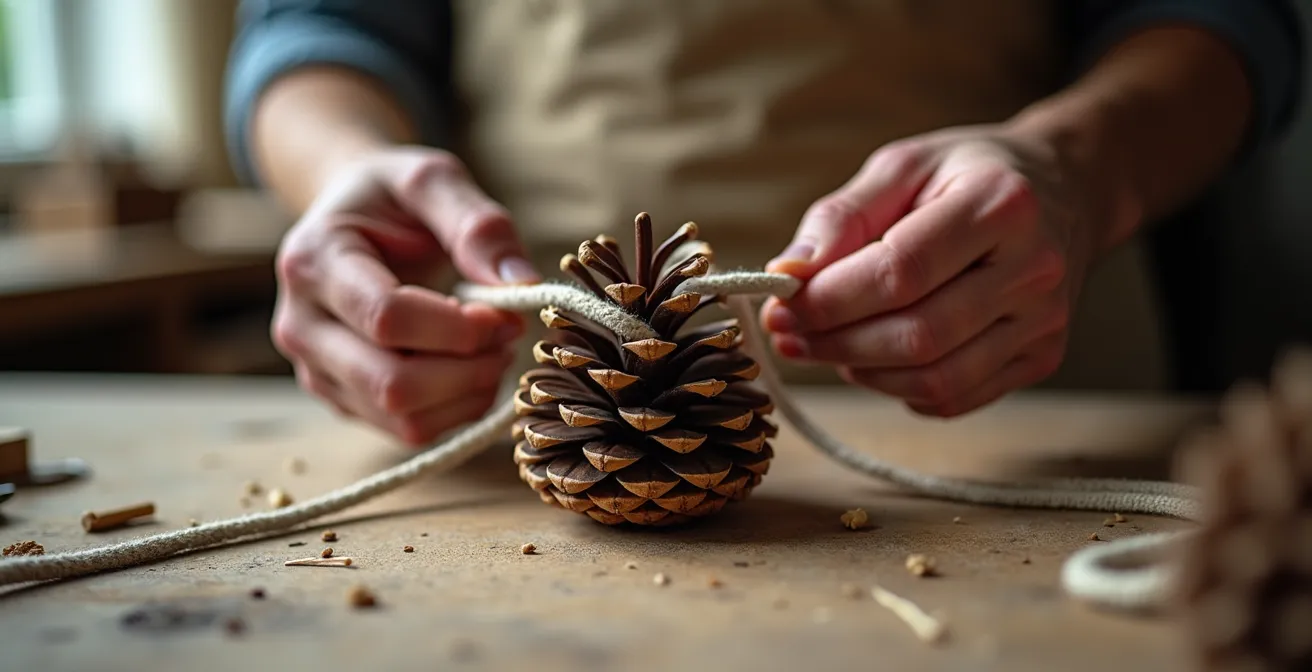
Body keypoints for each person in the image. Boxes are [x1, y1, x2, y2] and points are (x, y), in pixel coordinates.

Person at [225, 1, 1303, 447]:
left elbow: (1223, 17)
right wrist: (345, 173)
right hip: (499, 425)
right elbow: (318, 22)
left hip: (1027, 415)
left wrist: (1076, 168)